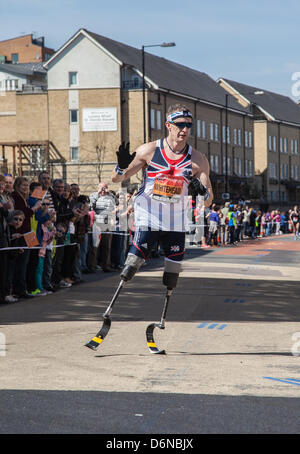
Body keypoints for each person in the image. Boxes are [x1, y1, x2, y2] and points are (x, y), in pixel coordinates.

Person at [111, 103, 213, 297]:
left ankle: (164, 310)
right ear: (168, 125)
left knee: (172, 273)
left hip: (175, 218)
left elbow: (208, 200)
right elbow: (117, 179)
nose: (184, 129)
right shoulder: (148, 150)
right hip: (148, 213)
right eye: (180, 124)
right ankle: (114, 303)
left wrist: (203, 193)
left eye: (189, 125)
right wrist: (121, 167)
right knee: (133, 263)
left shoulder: (198, 160)